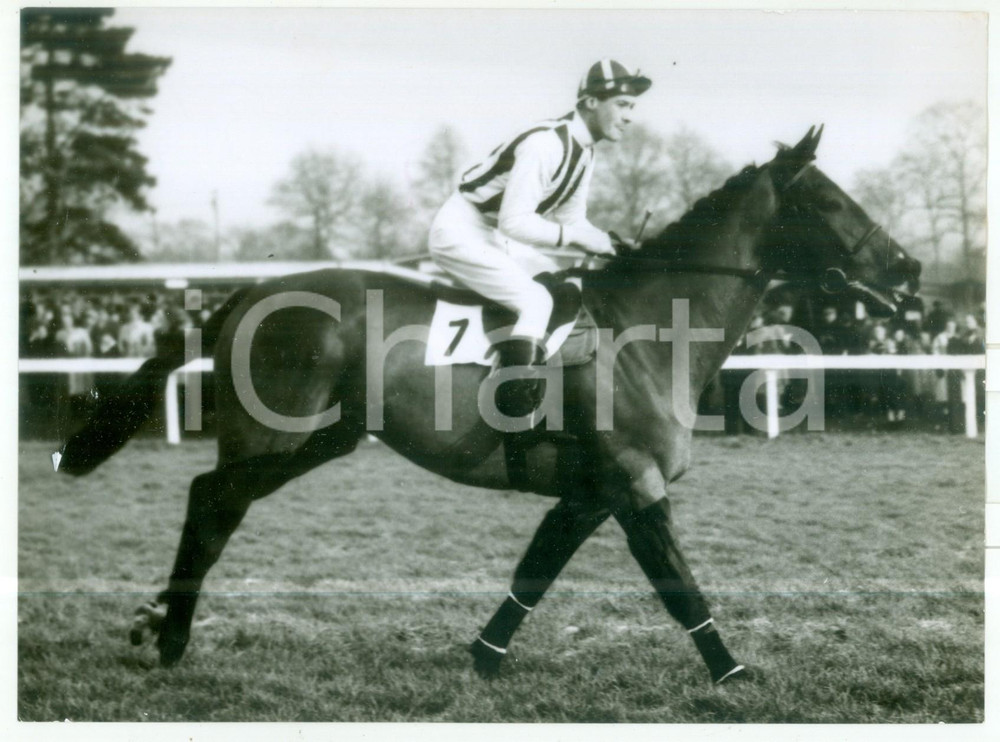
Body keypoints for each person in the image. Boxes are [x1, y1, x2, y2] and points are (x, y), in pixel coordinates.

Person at [428, 59, 651, 415]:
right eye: (622, 105)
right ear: (592, 101)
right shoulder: (547, 144)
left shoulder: (585, 150)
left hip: (492, 233)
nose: (629, 116)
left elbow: (571, 220)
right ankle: (513, 401)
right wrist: (588, 241)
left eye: (631, 108)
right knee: (536, 302)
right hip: (461, 229)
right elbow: (514, 223)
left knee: (565, 284)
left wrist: (613, 244)